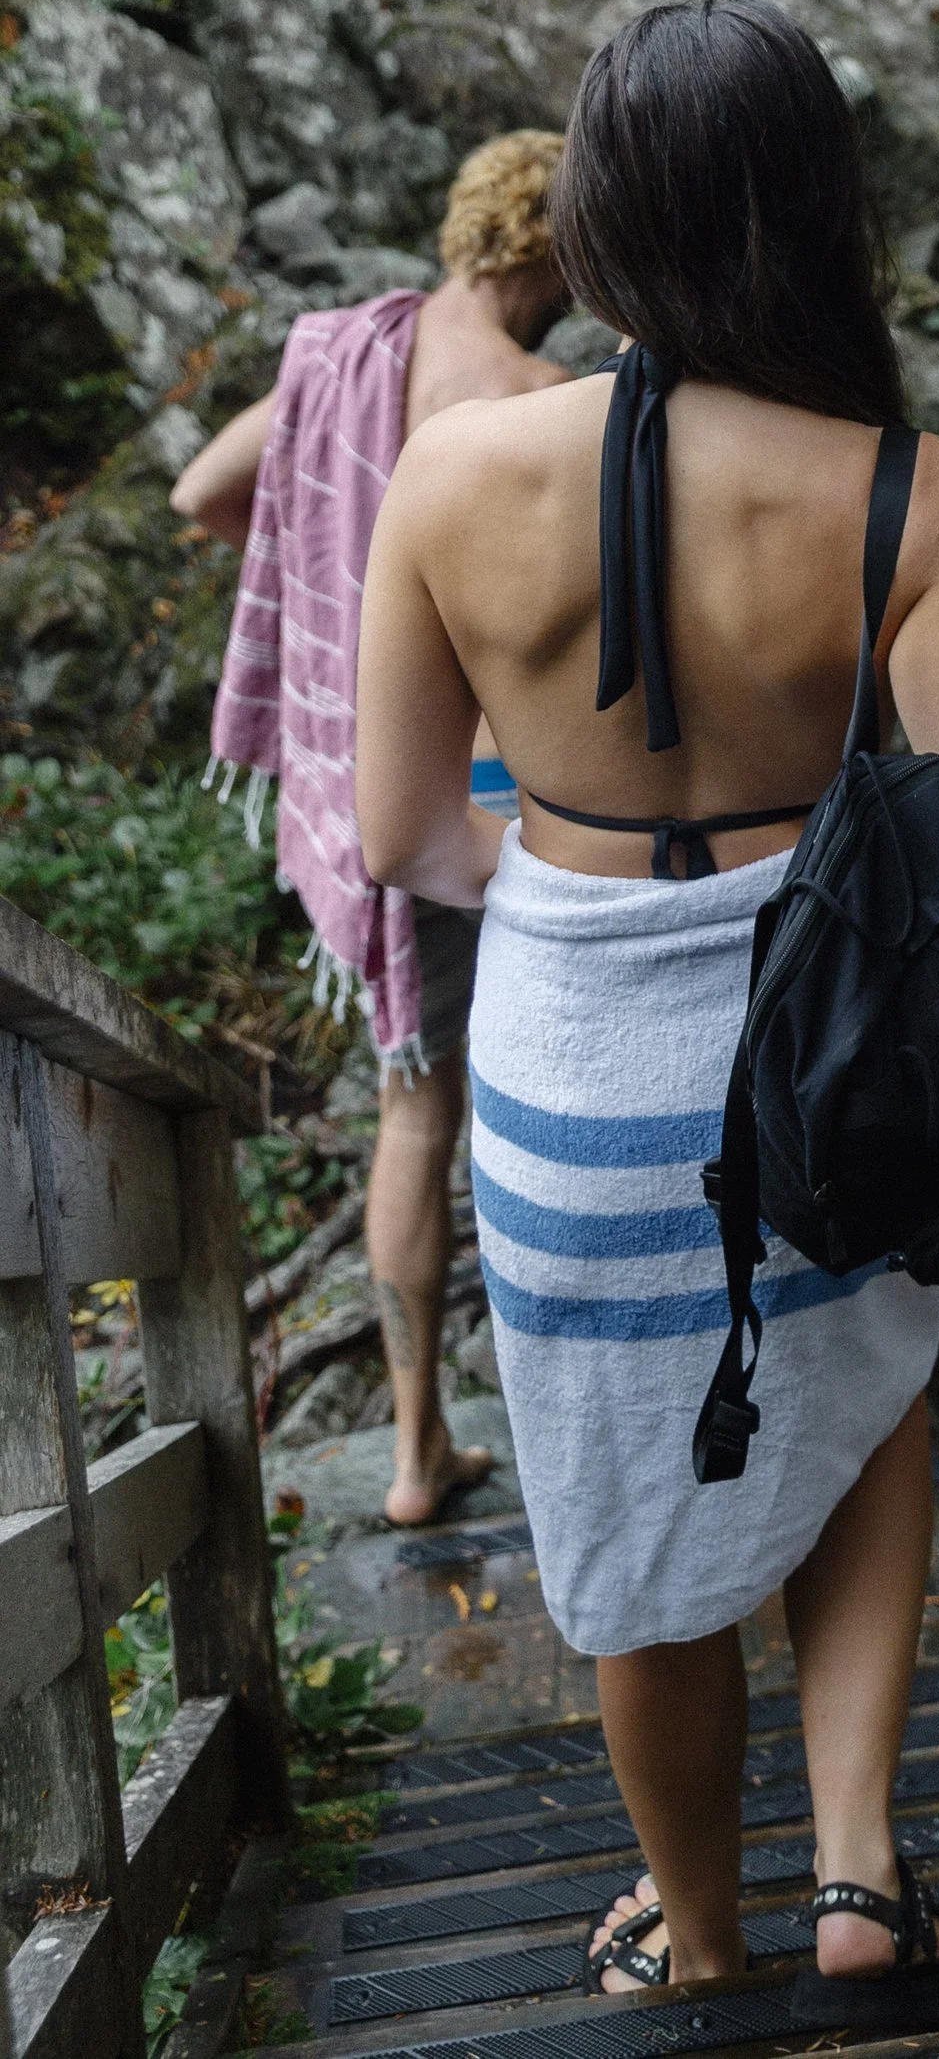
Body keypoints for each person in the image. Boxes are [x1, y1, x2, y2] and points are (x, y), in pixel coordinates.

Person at [353, 0, 939, 2008]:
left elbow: (404, 827)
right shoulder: (901, 495)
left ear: (594, 215)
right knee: (863, 1401)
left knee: (614, 1481)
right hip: (824, 1048)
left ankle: (692, 1936)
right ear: (815, 211)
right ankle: (860, 1879)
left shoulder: (451, 478)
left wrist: (581, 886)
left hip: (569, 1059)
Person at [174, 133, 571, 1528]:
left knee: (416, 1111)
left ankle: (415, 1451)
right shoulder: (540, 396)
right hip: (489, 796)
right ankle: (578, 1426)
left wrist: (338, 592)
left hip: (366, 785)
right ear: (539, 246)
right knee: (544, 1098)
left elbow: (208, 491)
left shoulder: (345, 353)